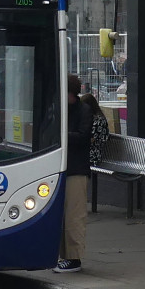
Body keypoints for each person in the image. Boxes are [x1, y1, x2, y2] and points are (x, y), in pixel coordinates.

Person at [57, 75, 96, 274]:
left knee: (74, 215)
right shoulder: (64, 109)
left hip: (77, 169)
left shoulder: (84, 110)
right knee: (64, 215)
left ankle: (74, 258)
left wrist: (62, 134)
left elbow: (83, 137)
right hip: (64, 167)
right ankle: (64, 255)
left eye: (68, 94)